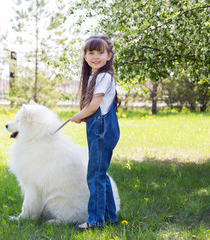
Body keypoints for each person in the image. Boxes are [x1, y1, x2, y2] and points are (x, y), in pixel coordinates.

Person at [71, 35, 121, 230]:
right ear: (84, 56)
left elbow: (93, 106)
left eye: (100, 52)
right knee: (101, 174)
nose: (95, 56)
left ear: (109, 56)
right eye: (91, 52)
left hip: (102, 131)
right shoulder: (95, 76)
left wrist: (78, 115)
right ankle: (109, 217)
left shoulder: (103, 76)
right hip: (98, 131)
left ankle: (95, 221)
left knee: (95, 176)